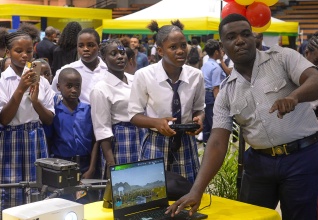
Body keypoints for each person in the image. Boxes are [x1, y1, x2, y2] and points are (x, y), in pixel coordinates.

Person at [167, 14, 318, 220]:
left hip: (302, 157)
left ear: (254, 37)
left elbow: (316, 81)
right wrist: (197, 190)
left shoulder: (283, 57)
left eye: (245, 34)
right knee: (249, 215)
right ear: (222, 46)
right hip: (260, 163)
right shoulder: (226, 91)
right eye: (231, 37)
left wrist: (294, 97)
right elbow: (216, 142)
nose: (240, 40)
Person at [128, 20, 205, 183]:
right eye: (173, 47)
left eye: (183, 45)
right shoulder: (144, 75)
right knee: (152, 193)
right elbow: (134, 116)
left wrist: (199, 119)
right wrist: (156, 123)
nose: (180, 51)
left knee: (188, 193)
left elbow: (199, 109)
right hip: (156, 143)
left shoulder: (196, 76)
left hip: (186, 142)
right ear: (161, 51)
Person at [0, 31, 54, 217]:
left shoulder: (43, 82)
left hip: (35, 136)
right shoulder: (2, 81)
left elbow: (48, 119)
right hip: (11, 138)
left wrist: (36, 101)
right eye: (18, 51)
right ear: (8, 52)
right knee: (12, 190)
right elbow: (4, 119)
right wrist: (21, 88)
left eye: (29, 51)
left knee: (37, 189)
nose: (25, 55)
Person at [90, 39, 144, 177]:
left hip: (142, 135)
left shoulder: (135, 79)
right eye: (113, 54)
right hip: (121, 140)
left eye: (122, 53)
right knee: (125, 185)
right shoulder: (101, 89)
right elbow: (102, 128)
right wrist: (110, 163)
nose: (120, 57)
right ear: (104, 59)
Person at [46, 67, 99, 203]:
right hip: (62, 167)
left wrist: (92, 168)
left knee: (87, 204)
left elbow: (95, 140)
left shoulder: (88, 110)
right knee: (63, 204)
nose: (74, 90)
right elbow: (49, 140)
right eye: (69, 86)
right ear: (58, 87)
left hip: (85, 165)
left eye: (77, 86)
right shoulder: (54, 112)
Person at [51, 28, 108, 104]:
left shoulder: (109, 70)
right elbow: (54, 95)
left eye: (90, 45)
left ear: (99, 47)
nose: (86, 49)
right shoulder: (66, 71)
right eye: (81, 46)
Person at [304, 33, 318, 220]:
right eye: (317, 60)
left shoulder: (317, 75)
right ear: (307, 53)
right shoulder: (292, 73)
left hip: (312, 136)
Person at [201, 39, 226, 144]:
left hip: (204, 95)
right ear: (216, 52)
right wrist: (219, 104)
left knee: (207, 123)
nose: (222, 52)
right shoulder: (216, 67)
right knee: (213, 124)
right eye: (220, 50)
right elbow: (216, 88)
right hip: (212, 96)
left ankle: (206, 145)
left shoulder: (206, 64)